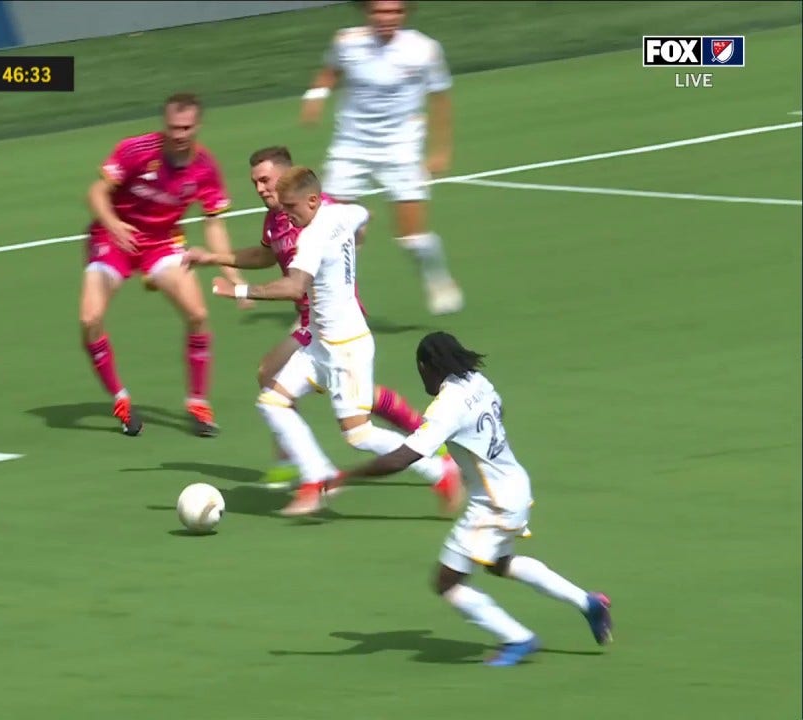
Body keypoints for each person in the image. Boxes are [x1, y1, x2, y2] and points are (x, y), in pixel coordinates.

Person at [283, 332, 614, 667]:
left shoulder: (446, 408)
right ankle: (589, 604)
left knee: (447, 582)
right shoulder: (478, 381)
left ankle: (518, 638)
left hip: (493, 504)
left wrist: (346, 475)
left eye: (420, 369)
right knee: (501, 564)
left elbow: (402, 458)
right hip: (514, 484)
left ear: (428, 366)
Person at [187, 146, 444, 492]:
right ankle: (410, 439)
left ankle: (297, 464)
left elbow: (302, 277)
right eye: (255, 183)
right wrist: (214, 257)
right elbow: (266, 255)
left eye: (266, 180)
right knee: (339, 394)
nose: (261, 189)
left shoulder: (316, 215)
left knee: (278, 379)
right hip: (314, 320)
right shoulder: (277, 218)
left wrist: (239, 292)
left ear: (287, 177)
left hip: (327, 320)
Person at [81, 92, 247, 438]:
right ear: (164, 124)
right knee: (90, 318)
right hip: (114, 238)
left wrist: (232, 275)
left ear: (198, 125)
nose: (180, 133)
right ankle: (121, 399)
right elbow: (96, 192)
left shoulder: (205, 167)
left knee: (198, 315)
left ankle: (198, 403)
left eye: (186, 127)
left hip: (162, 243)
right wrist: (113, 224)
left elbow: (214, 222)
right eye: (173, 126)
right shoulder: (136, 150)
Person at [301, 0, 464, 316]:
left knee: (411, 238)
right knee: (332, 233)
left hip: (401, 149)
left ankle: (437, 278)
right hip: (351, 147)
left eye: (394, 11)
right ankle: (321, 312)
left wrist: (441, 150)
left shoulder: (425, 49)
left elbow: (440, 99)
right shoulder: (346, 42)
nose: (386, 18)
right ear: (367, 13)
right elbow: (329, 73)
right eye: (379, 11)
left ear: (405, 13)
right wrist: (315, 97)